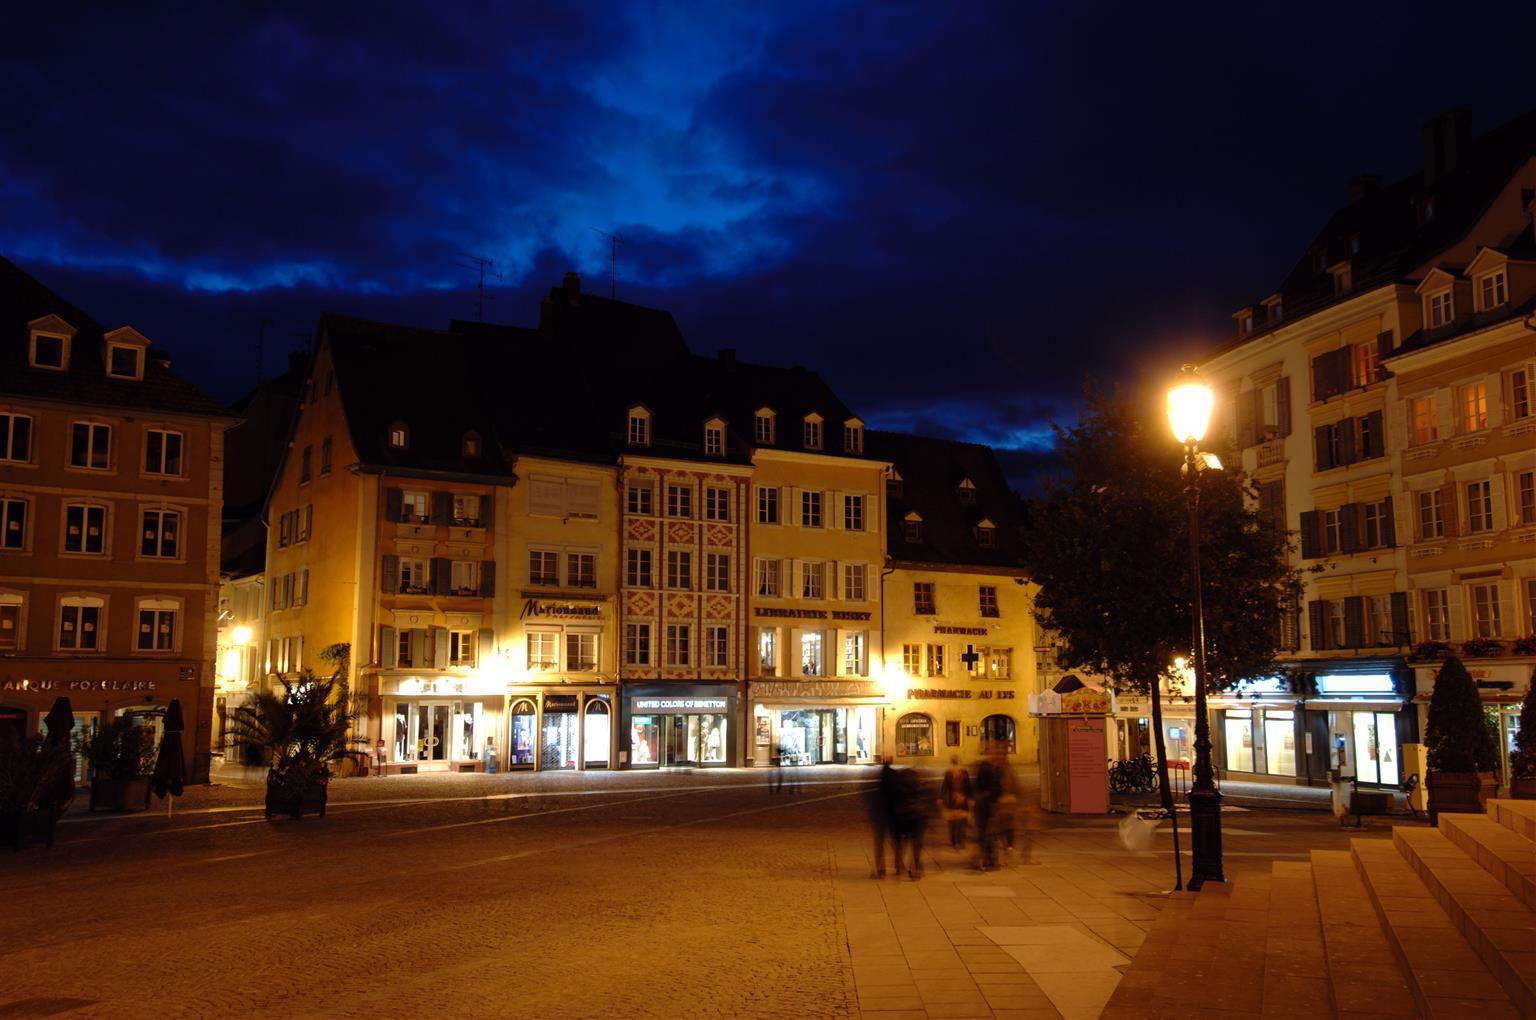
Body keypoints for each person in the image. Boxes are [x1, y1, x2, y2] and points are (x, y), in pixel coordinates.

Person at [892, 766, 931, 879]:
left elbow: (895, 804)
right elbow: (924, 803)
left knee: (902, 844)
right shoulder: (918, 789)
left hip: (903, 819)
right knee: (916, 845)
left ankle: (899, 866)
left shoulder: (899, 790)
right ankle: (916, 868)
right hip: (917, 819)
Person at [870, 754, 899, 877]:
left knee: (880, 842)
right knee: (896, 841)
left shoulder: (880, 775)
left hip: (882, 814)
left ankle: (881, 869)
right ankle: (898, 866)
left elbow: (876, 796)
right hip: (893, 813)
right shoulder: (895, 775)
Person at [972, 751, 1001, 870]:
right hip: (989, 806)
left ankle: (985, 860)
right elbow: (997, 789)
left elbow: (977, 785)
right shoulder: (992, 771)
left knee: (983, 834)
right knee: (991, 835)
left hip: (981, 806)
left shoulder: (981, 770)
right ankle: (991, 860)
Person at [939, 754, 972, 850]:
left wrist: (970, 797)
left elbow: (968, 786)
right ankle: (957, 841)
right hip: (957, 800)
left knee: (958, 822)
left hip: (957, 800)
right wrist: (941, 798)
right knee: (957, 822)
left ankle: (958, 841)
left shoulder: (959, 773)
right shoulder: (953, 773)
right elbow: (945, 786)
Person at [992, 750, 1020, 853]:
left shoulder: (1000, 770)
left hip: (1005, 800)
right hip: (1008, 800)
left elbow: (998, 786)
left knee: (1005, 824)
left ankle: (1007, 844)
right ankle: (1008, 844)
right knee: (1007, 824)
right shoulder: (1009, 769)